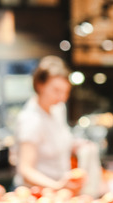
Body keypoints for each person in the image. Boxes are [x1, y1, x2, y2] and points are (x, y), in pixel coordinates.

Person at [14, 56, 84, 192]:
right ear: (40, 85)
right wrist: (57, 186)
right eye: (56, 91)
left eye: (66, 92)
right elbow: (25, 170)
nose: (62, 98)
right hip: (35, 194)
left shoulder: (57, 109)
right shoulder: (30, 119)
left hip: (58, 192)